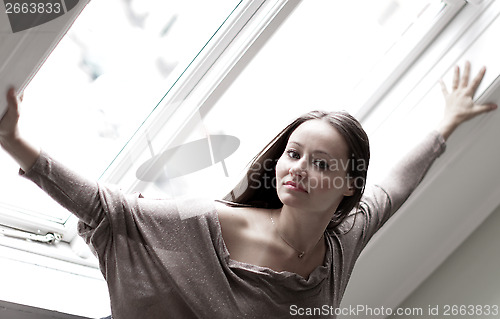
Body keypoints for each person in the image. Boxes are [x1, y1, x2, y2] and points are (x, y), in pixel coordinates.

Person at [0, 62, 496, 318]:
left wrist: (446, 123)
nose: (297, 168)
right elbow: (108, 208)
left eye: (320, 163)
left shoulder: (343, 242)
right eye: (294, 153)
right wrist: (17, 144)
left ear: (347, 186)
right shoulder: (211, 223)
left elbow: (396, 185)